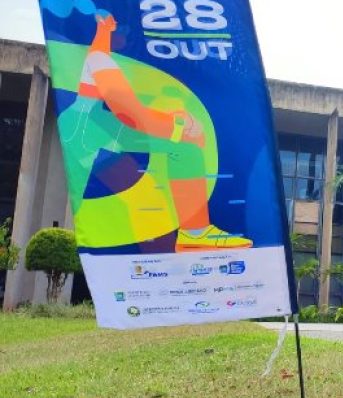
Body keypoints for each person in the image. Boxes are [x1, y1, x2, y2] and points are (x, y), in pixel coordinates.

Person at [49, 3, 251, 253]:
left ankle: (191, 235)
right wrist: (179, 127)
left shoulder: (100, 54)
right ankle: (193, 234)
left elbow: (102, 51)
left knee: (145, 189)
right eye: (124, 29)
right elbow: (130, 114)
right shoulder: (101, 61)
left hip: (89, 123)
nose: (128, 35)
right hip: (90, 126)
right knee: (181, 147)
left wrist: (105, 30)